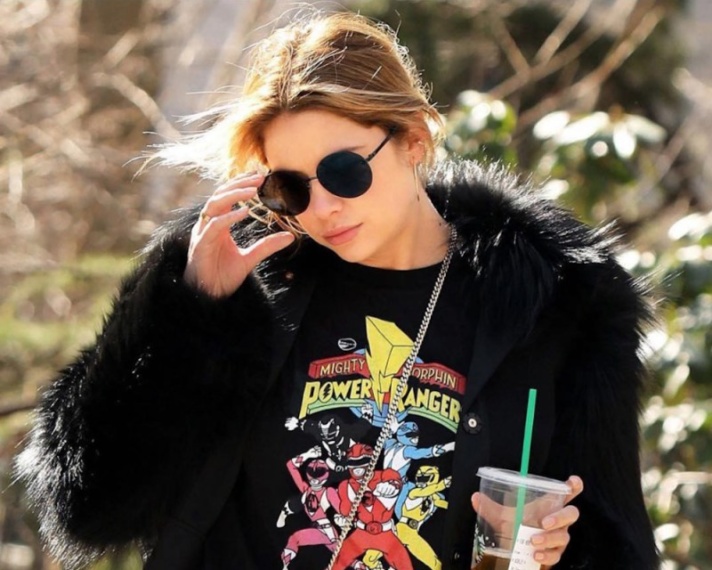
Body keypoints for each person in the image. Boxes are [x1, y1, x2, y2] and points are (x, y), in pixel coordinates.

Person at [15, 10, 659, 570]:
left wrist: (554, 550)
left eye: (344, 172)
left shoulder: (555, 309)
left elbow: (617, 544)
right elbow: (90, 510)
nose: (321, 208)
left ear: (414, 139)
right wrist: (189, 310)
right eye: (290, 187)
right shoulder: (244, 284)